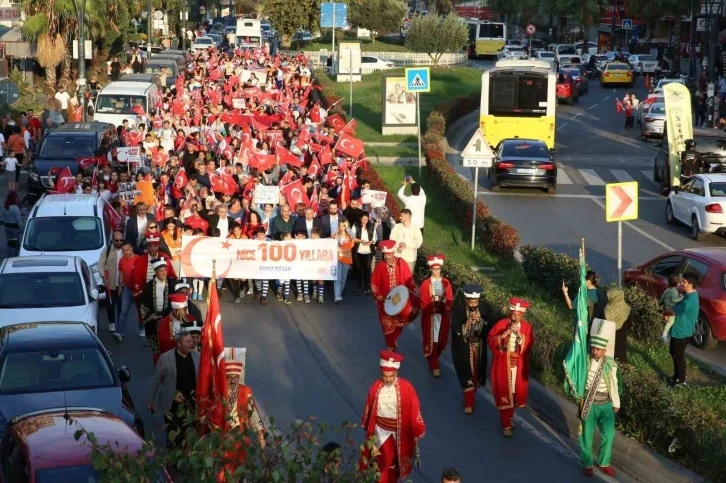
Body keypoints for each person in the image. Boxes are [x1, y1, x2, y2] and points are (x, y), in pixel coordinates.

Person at [360, 351, 425, 483]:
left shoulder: (407, 388)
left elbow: (414, 411)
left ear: (396, 373)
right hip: (379, 432)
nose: (388, 379)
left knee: (393, 466)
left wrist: (417, 430)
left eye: (391, 376)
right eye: (385, 376)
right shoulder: (376, 387)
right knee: (382, 465)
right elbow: (369, 406)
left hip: (398, 433)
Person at [487, 298, 535, 437]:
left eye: (518, 315)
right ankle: (506, 424)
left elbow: (529, 344)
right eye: (513, 314)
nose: (515, 317)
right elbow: (491, 339)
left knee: (514, 394)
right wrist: (502, 335)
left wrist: (520, 335)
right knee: (504, 393)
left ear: (522, 315)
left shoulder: (526, 327)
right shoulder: (501, 324)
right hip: (503, 364)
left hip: (517, 366)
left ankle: (509, 418)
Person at [579, 326, 620, 478]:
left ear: (604, 351)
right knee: (586, 435)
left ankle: (604, 462)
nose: (595, 352)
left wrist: (616, 403)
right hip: (589, 403)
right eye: (593, 349)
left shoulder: (610, 364)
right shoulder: (585, 361)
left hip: (606, 404)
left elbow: (614, 383)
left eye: (598, 349)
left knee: (609, 434)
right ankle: (587, 463)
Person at [148, 330, 200, 449]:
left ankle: (186, 458)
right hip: (171, 405)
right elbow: (155, 381)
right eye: (187, 342)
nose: (191, 344)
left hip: (191, 404)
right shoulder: (165, 358)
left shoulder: (197, 356)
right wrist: (150, 400)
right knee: (172, 435)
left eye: (191, 341)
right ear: (178, 344)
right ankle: (172, 463)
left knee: (189, 434)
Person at [370, 240, 418, 351]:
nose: (387, 257)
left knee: (399, 324)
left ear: (393, 254)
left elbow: (409, 280)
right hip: (385, 301)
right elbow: (374, 283)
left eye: (389, 255)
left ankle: (393, 339)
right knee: (387, 324)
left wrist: (412, 292)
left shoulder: (402, 264)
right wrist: (378, 295)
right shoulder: (380, 267)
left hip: (400, 300)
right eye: (385, 255)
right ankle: (390, 345)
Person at [451, 284, 487, 414]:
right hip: (464, 347)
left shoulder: (482, 309)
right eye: (471, 302)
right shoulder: (459, 310)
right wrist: (466, 324)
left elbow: (488, 328)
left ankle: (471, 398)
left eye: (475, 302)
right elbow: (455, 329)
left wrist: (480, 322)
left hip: (478, 347)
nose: (473, 305)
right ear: (466, 300)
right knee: (466, 373)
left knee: (476, 373)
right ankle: (469, 402)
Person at [419, 255, 453, 378]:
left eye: (438, 269)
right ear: (431, 270)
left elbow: (449, 298)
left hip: (442, 316)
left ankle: (435, 358)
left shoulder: (446, 282)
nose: (436, 271)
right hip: (431, 317)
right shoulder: (425, 284)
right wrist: (433, 301)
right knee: (432, 340)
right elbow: (424, 301)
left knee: (441, 341)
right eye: (434, 269)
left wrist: (445, 303)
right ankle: (434, 365)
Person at [665, 273, 699, 387]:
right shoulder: (690, 296)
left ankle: (680, 380)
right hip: (680, 331)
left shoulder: (689, 300)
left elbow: (673, 311)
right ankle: (676, 377)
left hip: (681, 333)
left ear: (690, 284)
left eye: (683, 282)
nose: (681, 283)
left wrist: (665, 312)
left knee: (678, 356)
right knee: (674, 353)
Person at [140, 259, 175, 364]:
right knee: (156, 349)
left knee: (168, 345)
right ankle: (158, 368)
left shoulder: (171, 283)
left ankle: (168, 366)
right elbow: (144, 304)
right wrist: (151, 316)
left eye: (165, 270)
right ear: (156, 272)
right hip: (153, 321)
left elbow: (174, 300)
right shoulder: (150, 285)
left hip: (168, 320)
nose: (164, 273)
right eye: (161, 271)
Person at [99, 230, 125, 332]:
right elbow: (101, 264)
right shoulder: (107, 250)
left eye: (121, 240)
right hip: (110, 283)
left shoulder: (126, 250)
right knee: (110, 305)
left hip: (122, 284)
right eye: (117, 240)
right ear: (113, 240)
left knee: (121, 306)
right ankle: (111, 323)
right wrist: (103, 277)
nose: (119, 242)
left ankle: (120, 325)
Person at [157, 293, 197, 358]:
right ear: (175, 310)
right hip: (172, 356)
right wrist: (181, 342)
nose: (184, 313)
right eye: (182, 311)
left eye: (185, 309)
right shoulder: (164, 323)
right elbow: (164, 342)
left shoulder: (191, 319)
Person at [390, 209, 423, 275]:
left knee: (408, 278)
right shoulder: (397, 226)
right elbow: (392, 239)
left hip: (410, 258)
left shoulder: (415, 228)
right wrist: (399, 245)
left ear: (407, 217)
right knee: (397, 277)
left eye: (401, 216)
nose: (400, 217)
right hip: (397, 256)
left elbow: (418, 242)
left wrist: (406, 245)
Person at [604, 288, 631, 364]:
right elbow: (629, 325)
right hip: (621, 337)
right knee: (620, 352)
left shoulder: (606, 310)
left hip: (608, 339)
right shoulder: (627, 309)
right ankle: (622, 365)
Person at [333, 220, 354, 304]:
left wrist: (347, 227)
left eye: (343, 226)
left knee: (343, 278)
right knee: (337, 278)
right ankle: (337, 296)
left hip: (346, 259)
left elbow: (353, 235)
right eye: (340, 226)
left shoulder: (349, 235)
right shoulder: (336, 235)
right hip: (337, 258)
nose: (342, 228)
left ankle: (339, 293)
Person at [660, 274, 683, 342]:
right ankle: (664, 335)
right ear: (677, 284)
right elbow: (674, 300)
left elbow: (662, 297)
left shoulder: (667, 289)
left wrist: (661, 303)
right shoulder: (674, 291)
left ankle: (664, 331)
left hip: (665, 307)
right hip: (671, 309)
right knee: (670, 322)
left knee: (666, 321)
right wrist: (681, 297)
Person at [2, 191, 23, 258]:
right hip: (15, 227)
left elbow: (3, 218)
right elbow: (18, 220)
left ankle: (9, 256)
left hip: (7, 227)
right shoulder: (15, 208)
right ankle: (16, 256)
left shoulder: (4, 207)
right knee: (16, 243)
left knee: (9, 243)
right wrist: (22, 228)